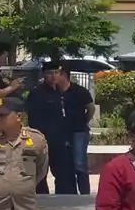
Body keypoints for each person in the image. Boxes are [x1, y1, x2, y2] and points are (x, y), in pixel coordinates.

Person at [25, 61, 94, 194]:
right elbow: (32, 117)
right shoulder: (37, 93)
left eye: (56, 73)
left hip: (62, 140)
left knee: (65, 174)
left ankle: (68, 197)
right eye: (49, 73)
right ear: (44, 75)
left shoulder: (63, 91)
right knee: (40, 172)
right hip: (43, 138)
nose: (53, 76)